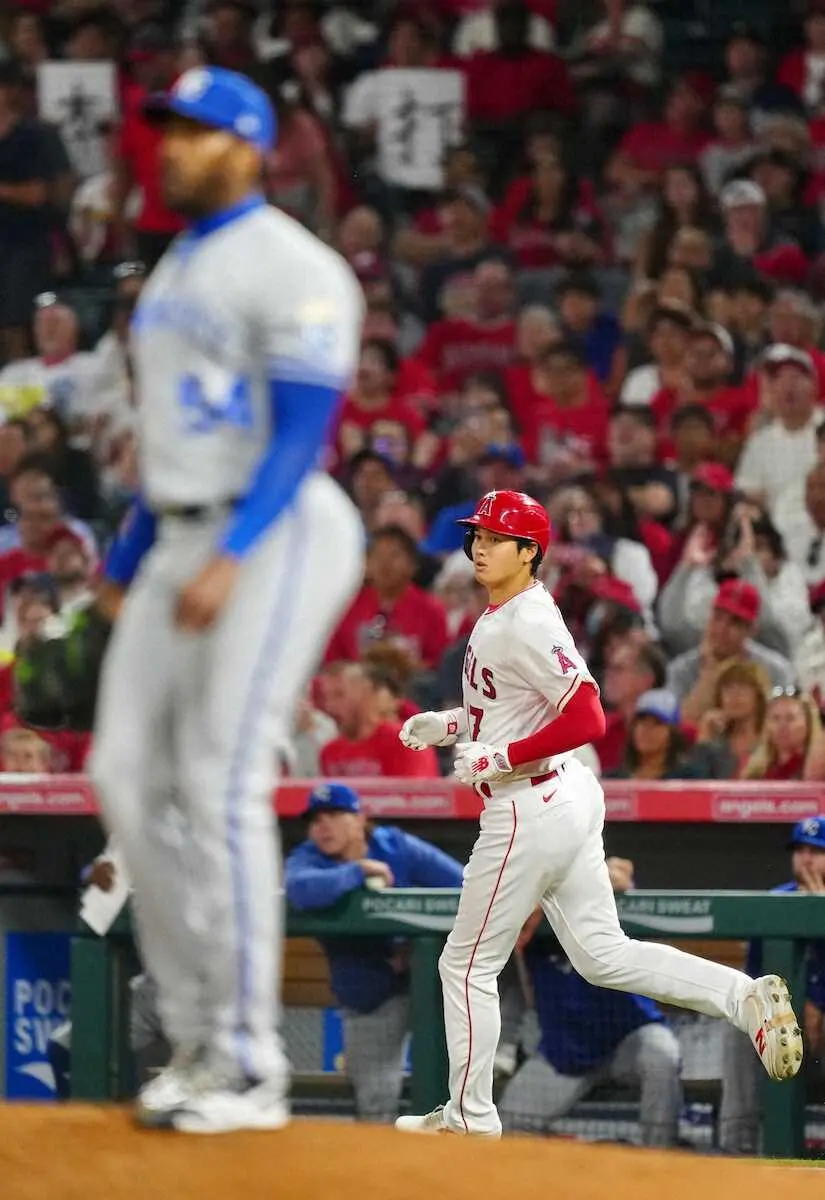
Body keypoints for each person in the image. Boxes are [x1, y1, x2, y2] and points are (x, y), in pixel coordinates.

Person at [87, 67, 366, 1135]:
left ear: (249, 146)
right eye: (168, 131)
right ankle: (200, 1040)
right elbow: (171, 444)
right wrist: (127, 564)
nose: (173, 148)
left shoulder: (296, 266)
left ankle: (252, 1067)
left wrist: (234, 551)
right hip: (178, 529)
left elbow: (302, 430)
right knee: (123, 773)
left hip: (277, 526)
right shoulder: (172, 271)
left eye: (198, 133)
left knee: (219, 776)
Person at [394, 488, 803, 1138]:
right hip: (564, 794)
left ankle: (469, 1121)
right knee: (602, 955)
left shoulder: (523, 619)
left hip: (528, 805)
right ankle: (740, 996)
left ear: (528, 552)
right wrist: (449, 725)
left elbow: (587, 714)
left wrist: (499, 758)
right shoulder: (510, 613)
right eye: (477, 534)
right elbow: (514, 708)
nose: (479, 546)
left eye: (496, 538)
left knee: (464, 964)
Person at [285, 783, 464, 1122]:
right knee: (375, 1104)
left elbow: (464, 885)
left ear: (360, 818)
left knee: (461, 1088)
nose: (323, 827)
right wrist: (358, 871)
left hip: (434, 982)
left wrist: (422, 942)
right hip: (370, 995)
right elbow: (299, 889)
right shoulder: (310, 858)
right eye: (315, 820)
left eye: (335, 816)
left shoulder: (395, 845)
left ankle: (501, 1050)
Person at [499, 856, 683, 1146]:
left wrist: (597, 879)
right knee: (509, 1121)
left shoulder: (595, 891)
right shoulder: (527, 910)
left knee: (662, 1056)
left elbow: (619, 875)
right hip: (566, 1050)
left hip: (628, 1037)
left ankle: (660, 1160)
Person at [719, 818, 825, 1154]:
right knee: (739, 1026)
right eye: (800, 850)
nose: (806, 859)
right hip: (783, 1025)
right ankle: (738, 1149)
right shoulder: (775, 901)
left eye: (817, 850)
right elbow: (755, 982)